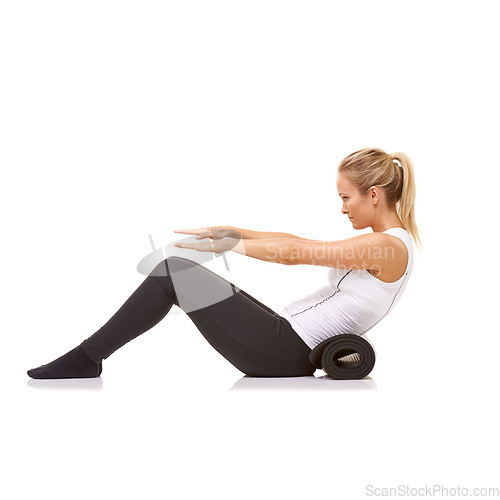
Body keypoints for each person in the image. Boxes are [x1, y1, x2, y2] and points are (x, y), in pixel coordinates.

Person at [27, 147, 421, 379]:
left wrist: (232, 246)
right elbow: (299, 241)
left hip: (285, 350)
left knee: (172, 273)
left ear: (373, 195)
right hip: (286, 338)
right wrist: (238, 231)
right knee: (174, 272)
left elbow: (295, 255)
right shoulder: (383, 243)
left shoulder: (385, 248)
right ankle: (87, 358)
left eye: (346, 198)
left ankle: (86, 358)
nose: (342, 208)